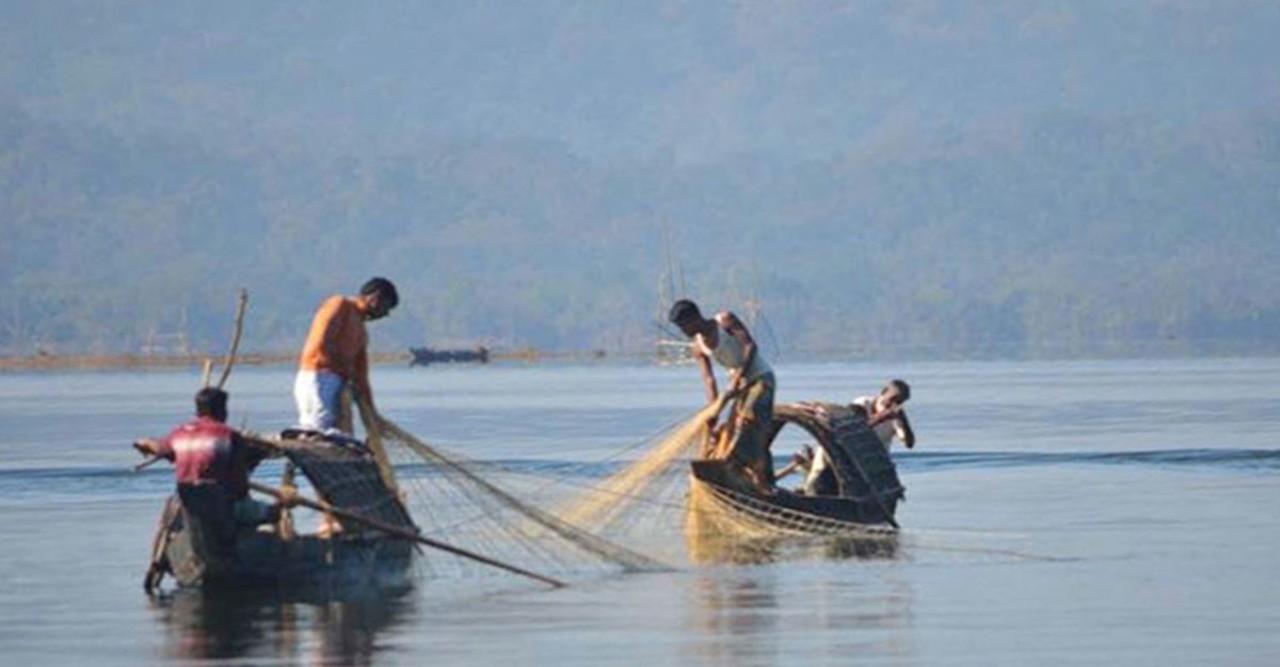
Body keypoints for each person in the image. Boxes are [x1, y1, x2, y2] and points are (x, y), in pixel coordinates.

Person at [133, 388, 283, 552]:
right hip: (221, 507)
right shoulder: (229, 435)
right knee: (273, 513)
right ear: (222, 410)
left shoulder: (178, 434)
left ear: (197, 410)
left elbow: (160, 448)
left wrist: (144, 442)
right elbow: (240, 487)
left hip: (189, 503)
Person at [668, 299, 776, 493]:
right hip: (740, 388)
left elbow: (750, 346)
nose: (684, 331)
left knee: (748, 425)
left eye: (684, 325)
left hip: (760, 379)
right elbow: (709, 381)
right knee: (728, 431)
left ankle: (764, 484)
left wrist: (740, 374)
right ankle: (750, 482)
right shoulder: (698, 347)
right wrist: (714, 411)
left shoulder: (725, 321)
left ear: (695, 317)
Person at [294, 277, 399, 435]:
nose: (385, 314)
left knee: (334, 433)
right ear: (375, 298)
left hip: (335, 382)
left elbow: (361, 379)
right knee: (317, 430)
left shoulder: (362, 334)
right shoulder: (340, 305)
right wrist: (344, 371)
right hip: (318, 378)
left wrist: (372, 415)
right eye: (386, 307)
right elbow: (323, 342)